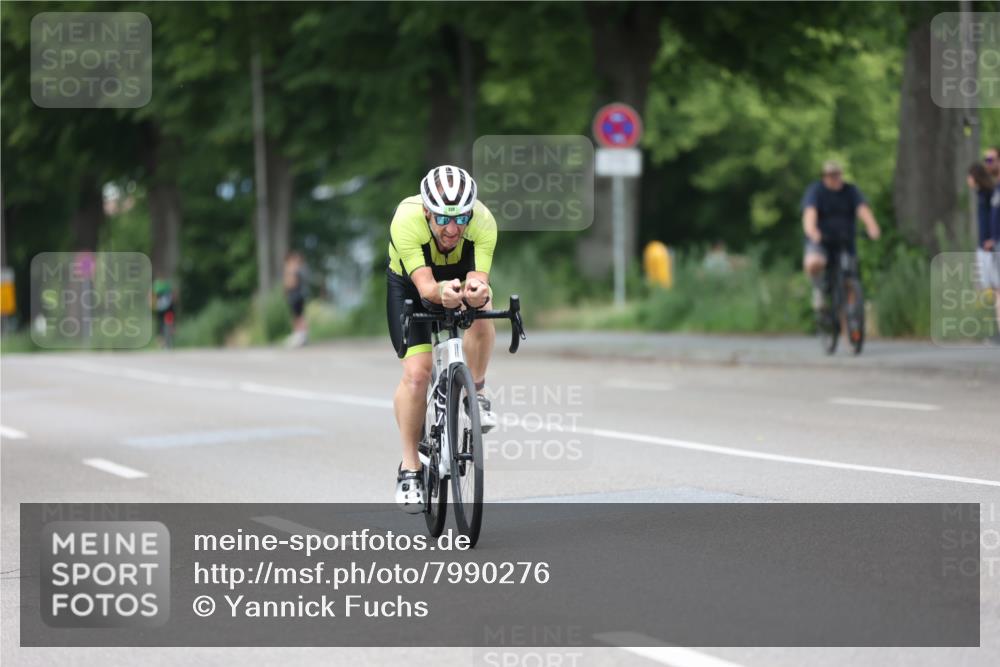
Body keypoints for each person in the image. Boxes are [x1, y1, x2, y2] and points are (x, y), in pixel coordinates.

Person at [386, 165, 498, 513]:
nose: (452, 229)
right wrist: (440, 293)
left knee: (483, 313)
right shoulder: (406, 220)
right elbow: (425, 287)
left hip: (458, 274)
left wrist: (476, 294)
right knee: (417, 374)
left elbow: (478, 279)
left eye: (461, 218)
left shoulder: (483, 221)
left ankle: (476, 392)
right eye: (443, 219)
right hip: (411, 284)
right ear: (426, 212)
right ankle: (410, 467)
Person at [801, 160, 881, 320]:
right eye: (831, 175)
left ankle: (852, 322)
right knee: (813, 262)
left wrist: (872, 226)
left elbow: (862, 209)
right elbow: (810, 213)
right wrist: (812, 231)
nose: (835, 178)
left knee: (850, 277)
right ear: (824, 177)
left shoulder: (850, 191)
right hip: (822, 240)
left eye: (837, 174)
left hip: (845, 240)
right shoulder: (816, 191)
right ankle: (819, 291)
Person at [283, 251, 309, 347]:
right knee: (298, 316)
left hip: (296, 295)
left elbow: (292, 283)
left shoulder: (294, 269)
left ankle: (300, 336)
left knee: (298, 316)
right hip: (296, 295)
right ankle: (301, 335)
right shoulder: (299, 268)